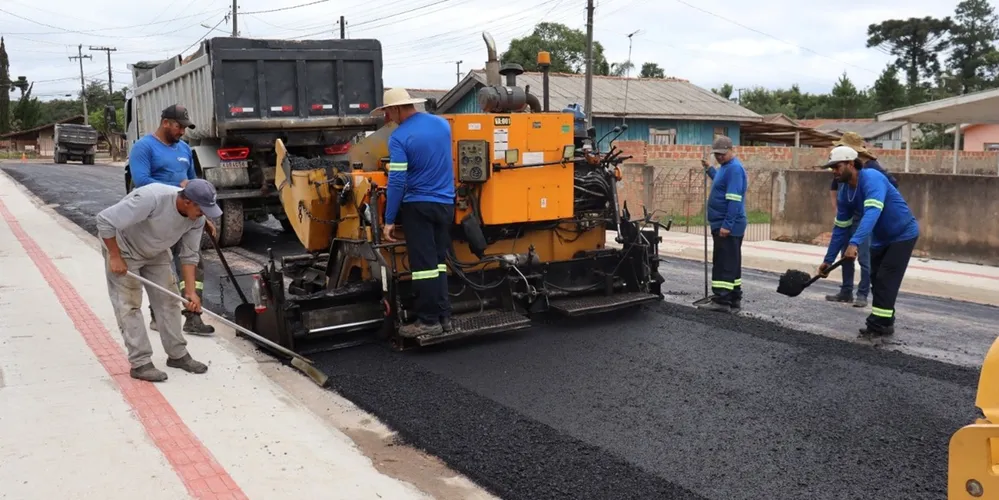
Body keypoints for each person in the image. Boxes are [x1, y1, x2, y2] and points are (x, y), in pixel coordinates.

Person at [96, 179, 223, 382]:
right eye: (202, 209)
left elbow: (189, 256)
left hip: (156, 252)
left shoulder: (197, 219)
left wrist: (191, 292)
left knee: (169, 301)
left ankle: (177, 355)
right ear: (187, 201)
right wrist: (115, 255)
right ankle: (140, 363)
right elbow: (104, 220)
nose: (204, 214)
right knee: (129, 306)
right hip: (124, 248)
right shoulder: (152, 199)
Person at [372, 88, 456, 338]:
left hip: (419, 206)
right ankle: (444, 317)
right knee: (438, 263)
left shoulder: (399, 137)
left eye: (388, 112)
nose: (388, 118)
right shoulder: (442, 125)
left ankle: (428, 322)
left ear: (396, 108)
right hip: (446, 204)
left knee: (424, 267)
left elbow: (397, 181)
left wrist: (389, 219)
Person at [128, 104, 216, 336]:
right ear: (165, 122)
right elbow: (142, 181)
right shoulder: (144, 147)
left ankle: (193, 316)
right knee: (162, 266)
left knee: (193, 263)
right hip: (158, 219)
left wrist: (203, 215)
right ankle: (159, 315)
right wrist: (179, 190)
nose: (182, 132)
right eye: (179, 126)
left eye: (185, 128)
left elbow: (193, 183)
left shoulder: (184, 149)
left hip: (185, 215)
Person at [818, 145, 919, 339]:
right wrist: (828, 260)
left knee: (886, 278)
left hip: (902, 234)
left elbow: (873, 212)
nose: (834, 172)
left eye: (837, 167)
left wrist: (854, 243)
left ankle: (878, 325)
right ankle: (885, 322)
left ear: (850, 164)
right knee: (876, 279)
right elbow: (840, 228)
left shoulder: (872, 178)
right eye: (832, 168)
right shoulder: (845, 192)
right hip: (880, 239)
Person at [825, 132, 898, 308]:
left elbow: (891, 185)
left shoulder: (871, 169)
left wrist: (873, 203)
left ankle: (863, 294)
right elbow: (835, 187)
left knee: (863, 256)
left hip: (866, 215)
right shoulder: (841, 167)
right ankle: (846, 291)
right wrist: (828, 260)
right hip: (849, 212)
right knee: (846, 254)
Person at [698, 135, 747, 314]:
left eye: (722, 154)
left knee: (723, 263)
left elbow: (734, 199)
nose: (719, 157)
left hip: (727, 225)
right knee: (732, 262)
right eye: (716, 154)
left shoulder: (734, 169)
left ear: (731, 150)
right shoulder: (726, 168)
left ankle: (722, 299)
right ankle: (734, 299)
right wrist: (710, 169)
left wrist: (727, 225)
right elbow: (720, 181)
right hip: (723, 223)